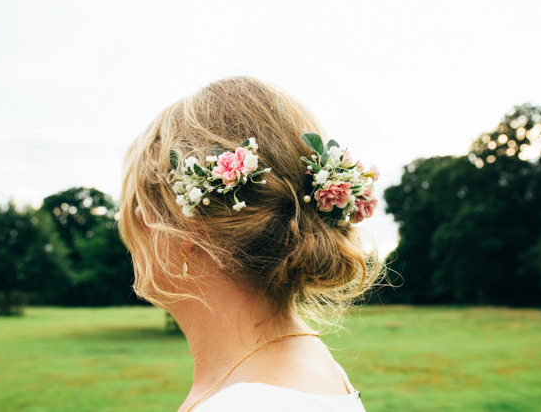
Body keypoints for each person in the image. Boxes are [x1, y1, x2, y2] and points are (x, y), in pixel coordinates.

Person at [119, 76, 382, 411]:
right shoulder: (309, 368)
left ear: (184, 228)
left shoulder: (251, 402)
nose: (134, 226)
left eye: (140, 207)